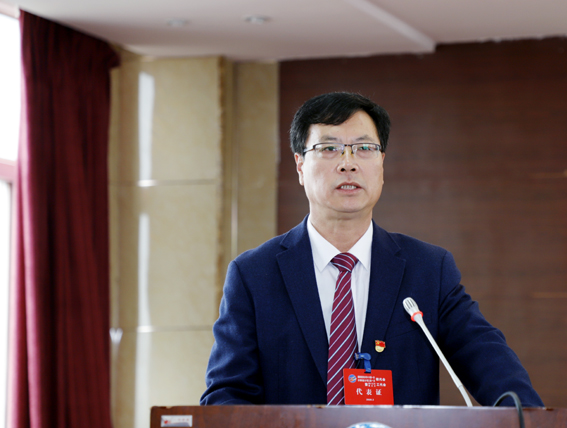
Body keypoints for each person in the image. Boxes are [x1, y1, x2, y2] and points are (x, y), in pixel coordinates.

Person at [200, 92, 543, 407]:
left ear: (381, 165)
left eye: (364, 148)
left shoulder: (428, 269)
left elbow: (488, 361)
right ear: (300, 165)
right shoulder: (254, 275)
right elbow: (226, 396)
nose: (348, 163)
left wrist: (530, 421)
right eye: (329, 148)